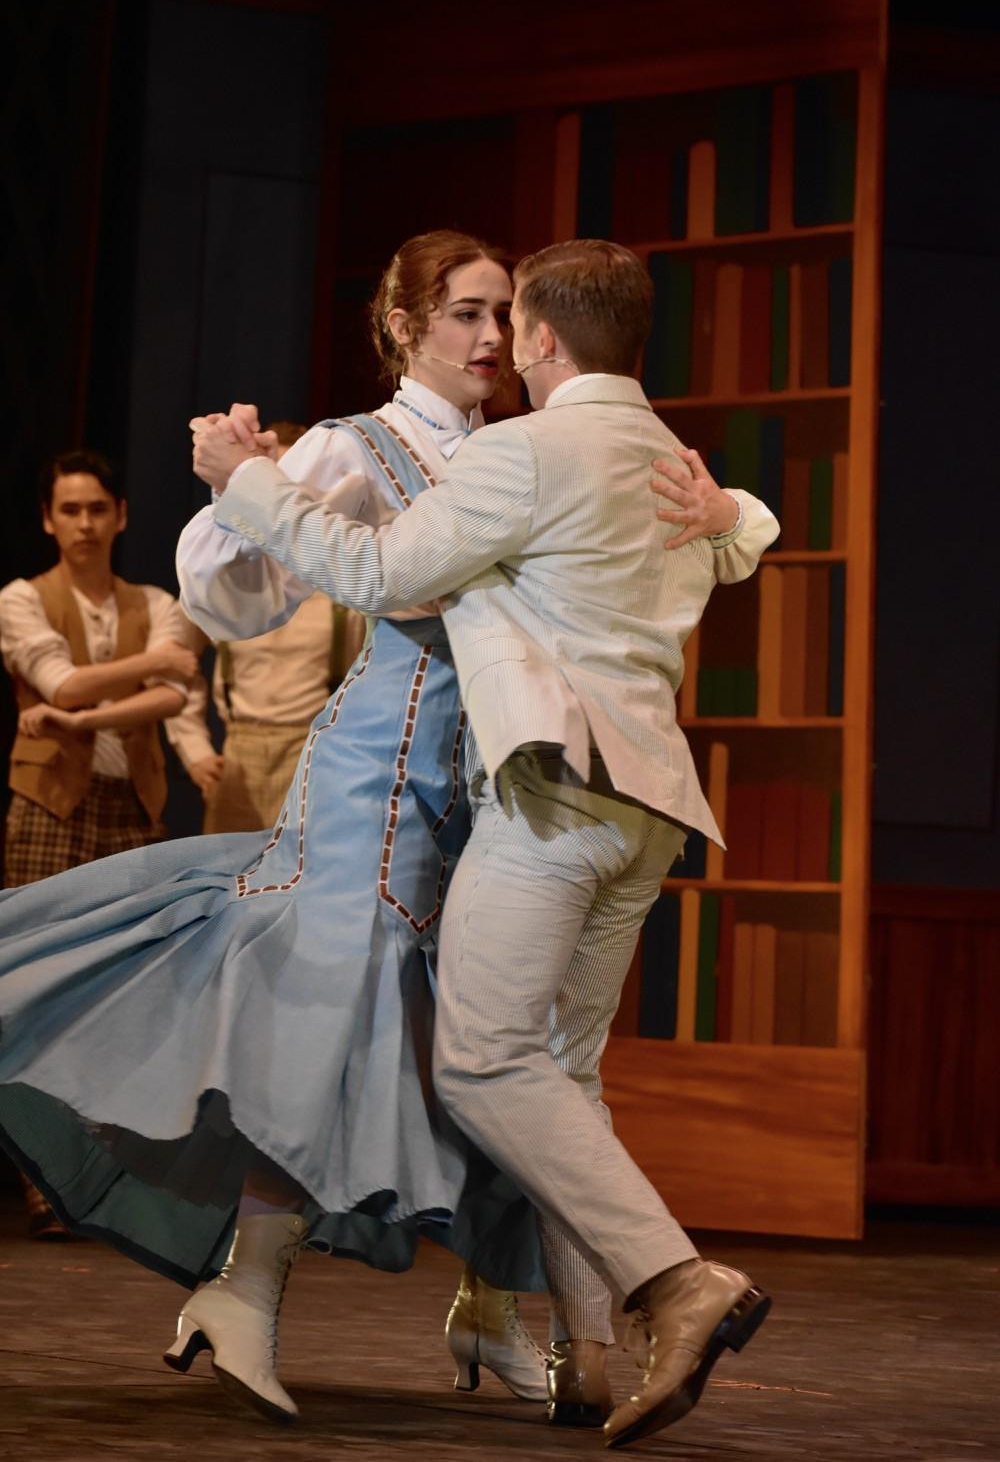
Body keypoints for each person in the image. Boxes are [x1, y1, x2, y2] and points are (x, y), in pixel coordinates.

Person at [193, 237, 780, 1449]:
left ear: (542, 338)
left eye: (505, 316)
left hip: (535, 790)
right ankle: (571, 1342)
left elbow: (378, 565)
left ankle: (632, 1295)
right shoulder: (622, 449)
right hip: (502, 786)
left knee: (487, 1064)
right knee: (478, 1050)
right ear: (405, 325)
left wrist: (246, 481)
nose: (491, 337)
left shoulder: (524, 449)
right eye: (466, 312)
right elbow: (239, 592)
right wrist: (246, 490)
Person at [0, 448, 202, 1236]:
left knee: (122, 1001)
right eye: (69, 510)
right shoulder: (22, 598)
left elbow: (173, 696)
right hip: (48, 808)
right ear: (49, 519)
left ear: (119, 515)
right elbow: (65, 682)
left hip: (130, 809)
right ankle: (42, 1179)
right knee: (30, 994)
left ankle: (101, 1180)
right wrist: (150, 668)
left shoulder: (153, 599)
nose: (84, 524)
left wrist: (87, 715)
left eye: (97, 509)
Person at [165, 420, 367, 835]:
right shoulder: (226, 574)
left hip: (309, 750)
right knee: (230, 884)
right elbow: (175, 665)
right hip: (239, 751)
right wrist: (195, 750)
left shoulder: (336, 578)